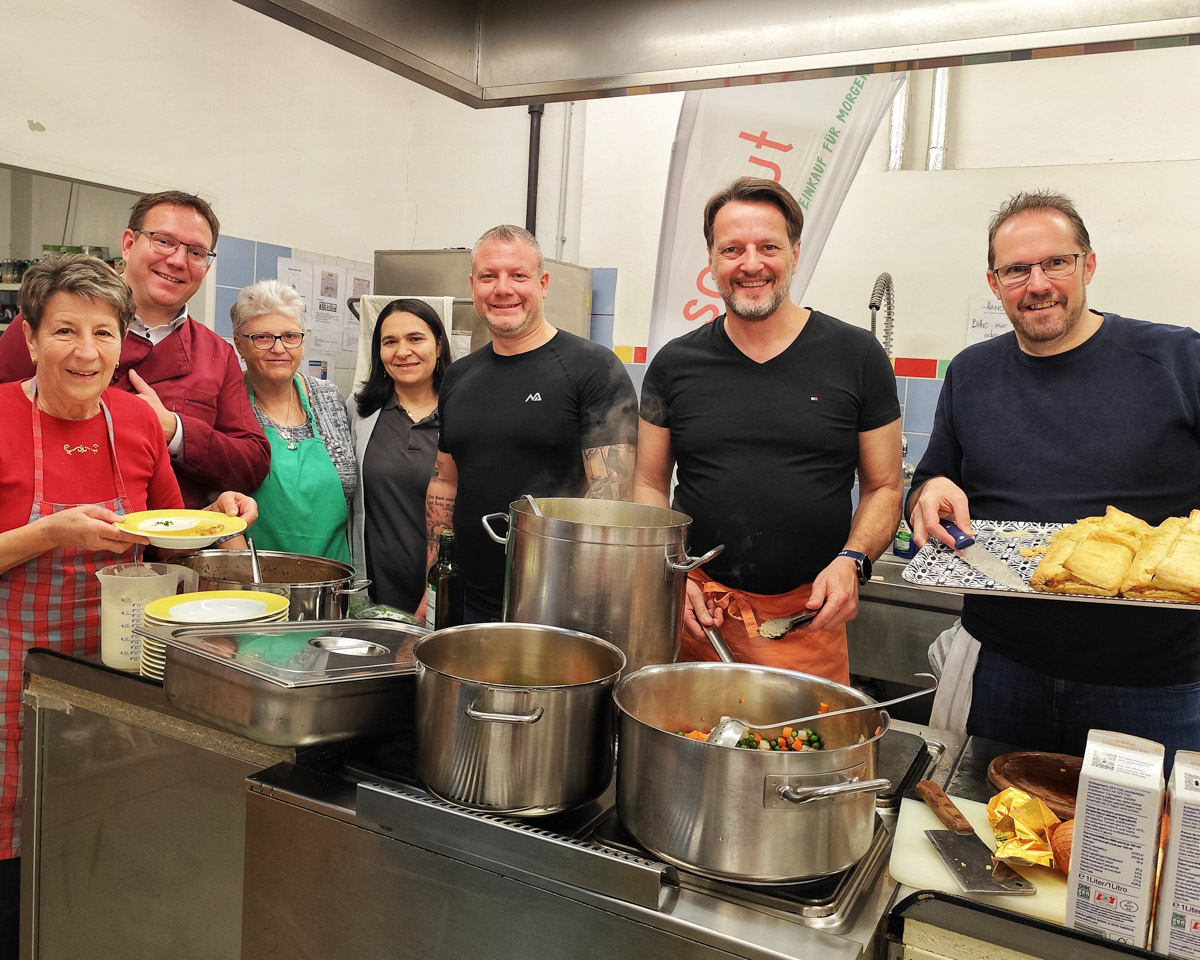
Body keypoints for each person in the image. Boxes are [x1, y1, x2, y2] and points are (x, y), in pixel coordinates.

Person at [0, 255, 257, 957]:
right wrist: (48, 533)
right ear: (28, 336)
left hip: (115, 671)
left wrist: (221, 516)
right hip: (7, 681)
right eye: (64, 331)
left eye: (103, 333)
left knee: (102, 836)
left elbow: (169, 537)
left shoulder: (137, 421)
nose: (86, 352)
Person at [907, 189, 1200, 761]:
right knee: (994, 832)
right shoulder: (972, 372)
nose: (1036, 284)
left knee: (1151, 845)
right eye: (1016, 269)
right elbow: (936, 475)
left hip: (1154, 682)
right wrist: (928, 490)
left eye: (1055, 263)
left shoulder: (1178, 360)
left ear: (1087, 265)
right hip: (1004, 668)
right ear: (995, 284)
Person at [632, 177, 902, 683]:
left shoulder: (857, 357)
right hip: (700, 615)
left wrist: (853, 561)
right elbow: (648, 483)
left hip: (807, 620)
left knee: (802, 754)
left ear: (795, 254)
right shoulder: (674, 364)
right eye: (732, 249)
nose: (751, 264)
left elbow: (885, 486)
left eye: (768, 247)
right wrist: (670, 574)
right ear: (711, 260)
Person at [0, 190, 270, 509]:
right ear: (128, 244)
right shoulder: (45, 324)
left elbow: (251, 463)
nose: (178, 260)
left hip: (169, 549)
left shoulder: (216, 354)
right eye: (164, 240)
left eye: (196, 252)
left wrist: (173, 428)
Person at [425, 225, 638, 622]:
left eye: (518, 275)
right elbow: (445, 482)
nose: (502, 288)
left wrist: (575, 598)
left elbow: (612, 497)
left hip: (559, 607)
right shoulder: (458, 376)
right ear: (474, 286)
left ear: (542, 284)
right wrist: (434, 581)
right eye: (489, 276)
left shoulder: (592, 368)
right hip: (469, 601)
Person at [233, 280, 355, 564]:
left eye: (290, 336)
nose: (279, 348)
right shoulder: (227, 403)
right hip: (254, 585)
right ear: (239, 344)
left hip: (333, 584)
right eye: (262, 337)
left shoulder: (329, 397)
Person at [351, 298, 452, 611]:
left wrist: (434, 593)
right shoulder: (359, 412)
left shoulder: (462, 414)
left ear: (438, 346)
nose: (402, 351)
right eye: (390, 341)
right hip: (372, 590)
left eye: (415, 339)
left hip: (443, 588)